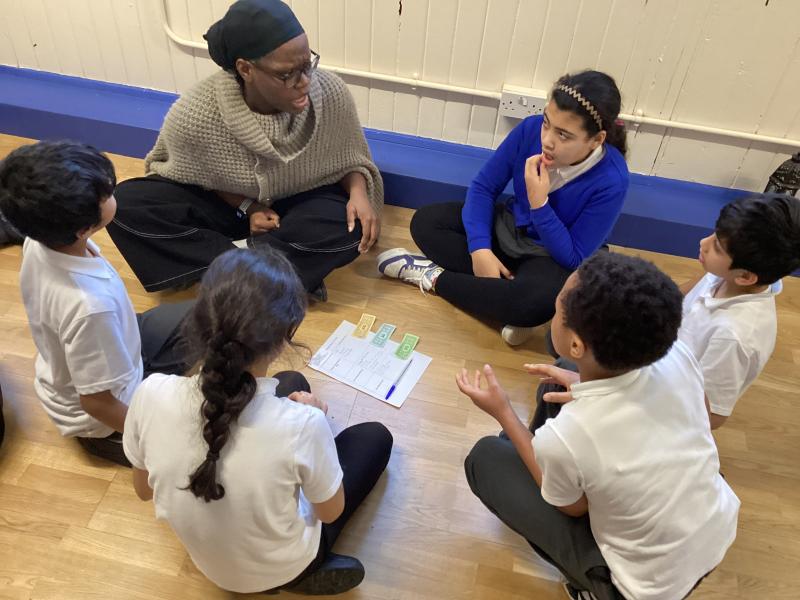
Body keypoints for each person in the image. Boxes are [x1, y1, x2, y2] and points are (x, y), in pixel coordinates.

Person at [459, 252, 739, 600]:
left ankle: (594, 589)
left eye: (558, 306)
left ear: (577, 343)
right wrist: (589, 390)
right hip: (713, 525)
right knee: (561, 378)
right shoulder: (678, 353)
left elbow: (574, 507)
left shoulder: (570, 436)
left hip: (645, 585)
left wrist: (503, 411)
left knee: (484, 458)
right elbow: (694, 410)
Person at [122, 247, 393, 595]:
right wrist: (317, 423)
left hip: (207, 563)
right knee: (375, 437)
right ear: (284, 338)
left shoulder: (150, 393)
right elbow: (329, 512)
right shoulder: (304, 426)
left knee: (290, 381)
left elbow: (143, 490)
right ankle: (308, 571)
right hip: (284, 565)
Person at [107, 0, 383, 298]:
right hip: (230, 209)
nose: (304, 82)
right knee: (124, 205)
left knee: (349, 226)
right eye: (287, 74)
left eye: (307, 65)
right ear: (246, 69)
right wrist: (248, 207)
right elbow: (189, 177)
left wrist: (358, 194)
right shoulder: (197, 112)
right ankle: (272, 268)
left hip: (299, 205)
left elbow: (350, 160)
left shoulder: (329, 92)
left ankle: (225, 263)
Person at [377, 70, 629, 345]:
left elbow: (574, 256)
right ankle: (503, 298)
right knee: (426, 222)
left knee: (535, 301)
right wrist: (480, 249)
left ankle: (434, 276)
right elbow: (484, 187)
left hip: (552, 255)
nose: (547, 140)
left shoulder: (612, 179)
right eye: (547, 123)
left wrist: (540, 204)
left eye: (564, 135)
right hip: (510, 228)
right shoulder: (529, 130)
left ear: (596, 140)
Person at [0, 141, 192, 467]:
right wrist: (149, 435)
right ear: (83, 228)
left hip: (117, 352)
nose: (112, 193)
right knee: (193, 451)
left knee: (210, 315)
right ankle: (116, 441)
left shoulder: (38, 239)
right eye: (107, 194)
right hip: (104, 419)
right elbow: (97, 403)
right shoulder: (90, 308)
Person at [678, 193, 800, 429]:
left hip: (670, 407)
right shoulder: (727, 275)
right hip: (661, 357)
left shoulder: (733, 337)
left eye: (717, 247)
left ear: (745, 276)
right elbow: (686, 292)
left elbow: (711, 415)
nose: (703, 242)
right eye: (714, 233)